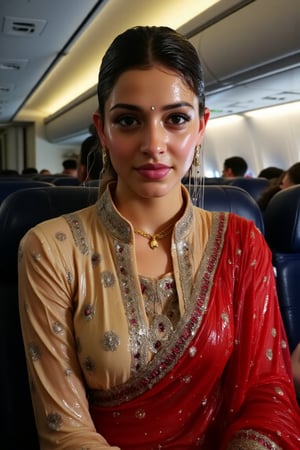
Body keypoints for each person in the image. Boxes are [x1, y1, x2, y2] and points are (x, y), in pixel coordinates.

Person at [18, 25, 300, 450]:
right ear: (103, 129)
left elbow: (268, 395)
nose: (154, 144)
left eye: (176, 119)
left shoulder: (242, 243)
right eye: (129, 120)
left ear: (202, 126)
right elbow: (67, 432)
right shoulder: (50, 249)